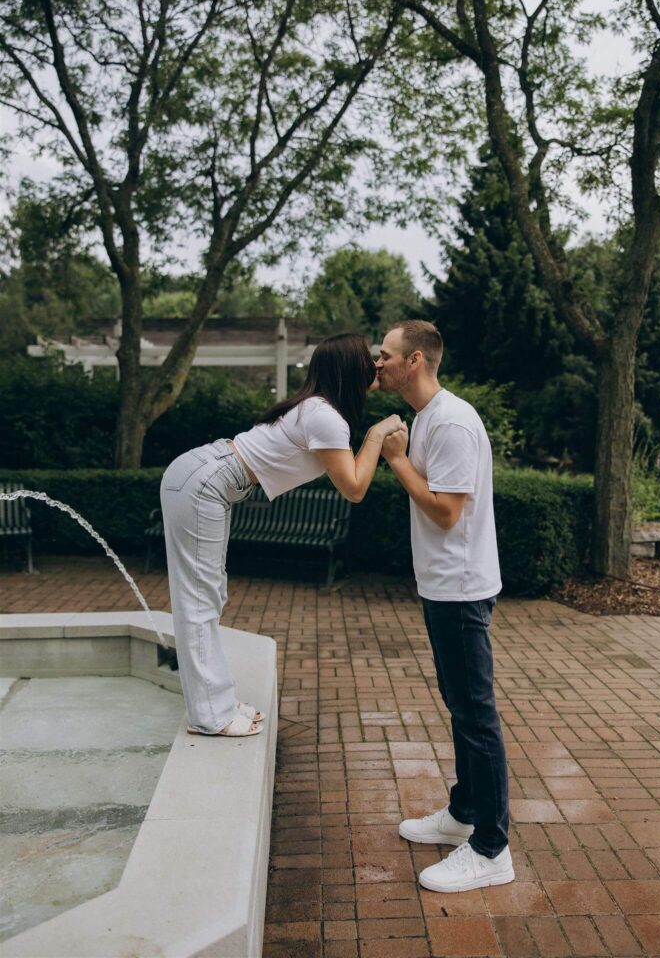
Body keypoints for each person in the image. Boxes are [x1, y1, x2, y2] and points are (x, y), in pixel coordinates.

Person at [161, 333, 405, 739]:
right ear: (349, 368)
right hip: (206, 482)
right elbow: (355, 488)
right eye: (370, 359)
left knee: (208, 595)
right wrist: (377, 436)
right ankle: (211, 715)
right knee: (199, 600)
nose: (377, 365)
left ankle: (214, 702)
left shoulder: (317, 408)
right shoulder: (325, 416)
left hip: (205, 477)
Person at [376, 319, 514, 893]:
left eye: (384, 354)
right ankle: (462, 815)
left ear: (415, 361)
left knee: (476, 715)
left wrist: (397, 461)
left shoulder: (451, 421)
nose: (375, 362)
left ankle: (490, 847)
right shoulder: (427, 417)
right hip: (442, 585)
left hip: (460, 587)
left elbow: (447, 511)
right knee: (461, 707)